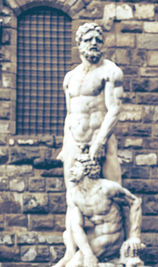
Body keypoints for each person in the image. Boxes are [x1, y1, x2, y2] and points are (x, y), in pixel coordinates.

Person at [57, 22, 123, 187]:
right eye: (88, 39)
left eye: (98, 40)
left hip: (101, 138)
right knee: (72, 194)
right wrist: (66, 145)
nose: (94, 43)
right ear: (79, 44)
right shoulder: (70, 78)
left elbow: (114, 109)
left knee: (114, 191)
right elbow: (69, 115)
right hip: (74, 140)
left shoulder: (110, 71)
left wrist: (100, 142)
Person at [58, 151, 143, 267]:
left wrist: (134, 236)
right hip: (94, 239)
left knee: (74, 265)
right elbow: (77, 228)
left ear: (86, 170)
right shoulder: (73, 195)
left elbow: (135, 202)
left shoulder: (107, 188)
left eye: (76, 167)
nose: (71, 170)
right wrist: (88, 254)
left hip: (112, 237)